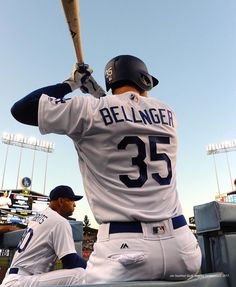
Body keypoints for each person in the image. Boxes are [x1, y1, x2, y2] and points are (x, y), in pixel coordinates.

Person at [10, 55, 201, 283]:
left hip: (124, 251)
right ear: (143, 80)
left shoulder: (89, 110)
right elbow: (125, 114)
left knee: (78, 278)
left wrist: (71, 83)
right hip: (182, 248)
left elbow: (21, 109)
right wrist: (96, 93)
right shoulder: (169, 113)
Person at [1, 185, 86, 286]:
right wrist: (94, 268)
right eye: (71, 200)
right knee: (79, 275)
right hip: (23, 280)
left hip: (14, 279)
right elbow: (70, 261)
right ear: (61, 201)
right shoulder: (59, 221)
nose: (74, 205)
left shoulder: (37, 217)